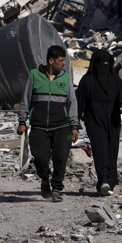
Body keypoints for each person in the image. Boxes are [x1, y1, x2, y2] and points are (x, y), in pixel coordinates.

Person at [17, 45, 79, 203]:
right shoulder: (34, 75)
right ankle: (44, 179)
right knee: (40, 157)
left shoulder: (65, 78)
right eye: (61, 61)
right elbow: (25, 100)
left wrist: (74, 126)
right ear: (51, 61)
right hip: (39, 126)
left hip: (62, 126)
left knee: (60, 158)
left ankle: (56, 188)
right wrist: (22, 121)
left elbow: (72, 103)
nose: (64, 64)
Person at [76, 49, 122, 197]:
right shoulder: (87, 81)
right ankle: (104, 181)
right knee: (100, 150)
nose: (104, 66)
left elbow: (121, 94)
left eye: (107, 63)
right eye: (102, 63)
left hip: (113, 120)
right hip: (94, 120)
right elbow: (79, 103)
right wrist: (74, 124)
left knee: (112, 150)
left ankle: (110, 183)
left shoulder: (114, 79)